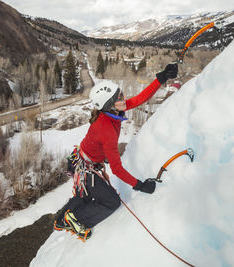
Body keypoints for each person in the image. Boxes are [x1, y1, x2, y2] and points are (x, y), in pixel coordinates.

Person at [53, 63, 178, 241]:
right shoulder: (107, 129)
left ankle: (64, 214)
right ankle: (72, 219)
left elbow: (140, 99)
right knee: (111, 202)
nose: (123, 97)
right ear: (111, 105)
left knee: (90, 195)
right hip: (85, 169)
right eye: (119, 97)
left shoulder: (112, 110)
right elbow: (117, 169)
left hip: (83, 161)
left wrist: (162, 78)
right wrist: (140, 185)